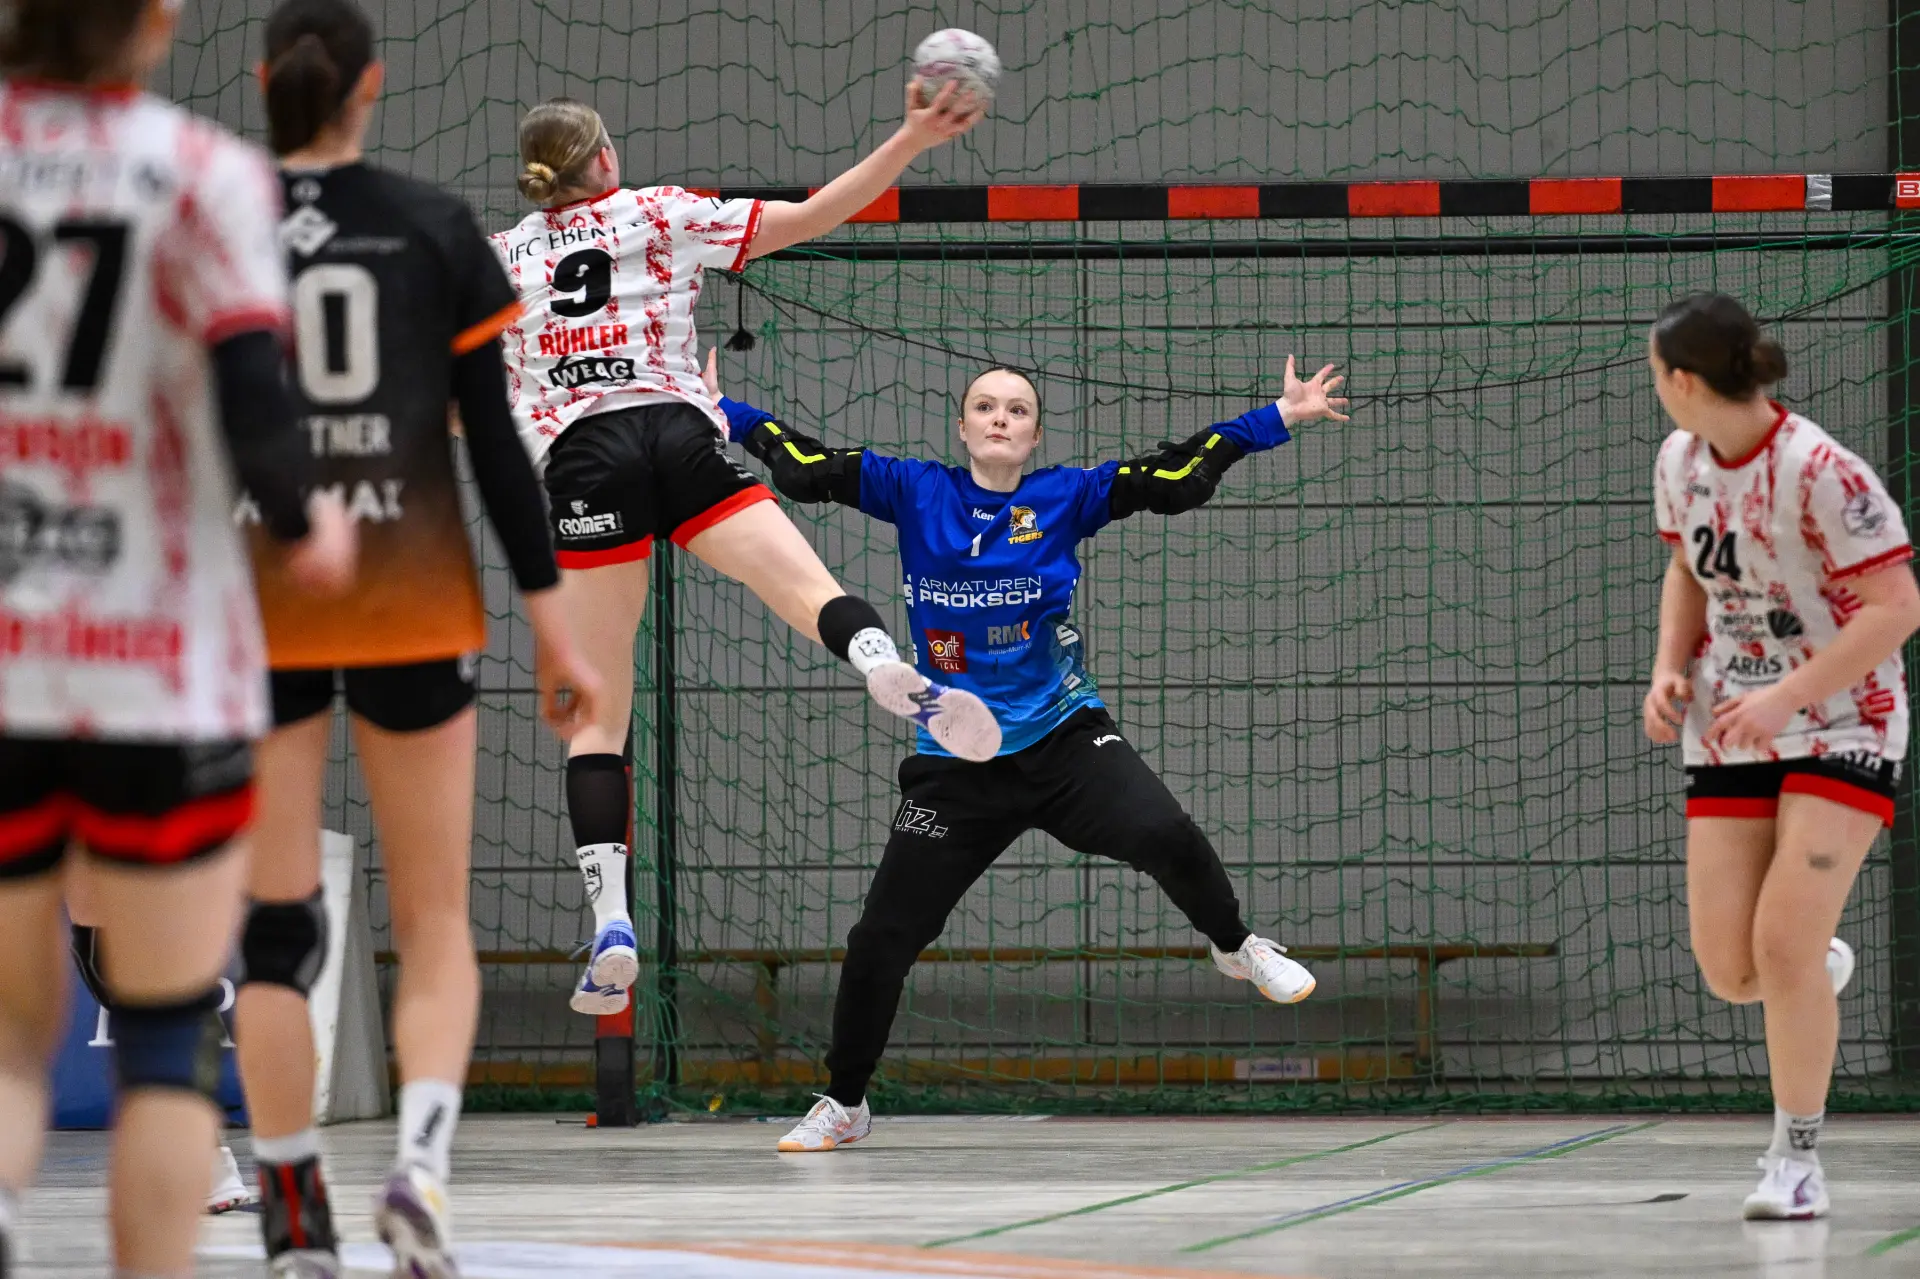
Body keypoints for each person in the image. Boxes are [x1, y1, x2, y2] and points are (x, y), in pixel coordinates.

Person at [709, 354, 1350, 1151]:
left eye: (1016, 409)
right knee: (880, 938)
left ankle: (1235, 944)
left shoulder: (1066, 496)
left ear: (1035, 434)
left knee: (1164, 830)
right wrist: (724, 411)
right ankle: (845, 1102)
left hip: (1063, 738)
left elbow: (1175, 476)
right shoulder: (915, 489)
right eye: (985, 406)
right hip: (956, 763)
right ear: (963, 426)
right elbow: (806, 467)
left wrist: (1277, 418)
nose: (1000, 418)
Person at [493, 90, 1002, 1019]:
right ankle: (879, 661)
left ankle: (612, 923)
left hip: (585, 461)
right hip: (678, 430)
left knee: (599, 715)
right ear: (604, 161)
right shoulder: (660, 211)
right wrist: (911, 137)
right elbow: (817, 214)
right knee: (805, 588)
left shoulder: (498, 262)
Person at [231, 3, 599, 1276]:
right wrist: (556, 624)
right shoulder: (437, 226)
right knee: (436, 916)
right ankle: (420, 1175)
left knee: (274, 926)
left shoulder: (210, 218)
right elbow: (497, 446)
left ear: (263, 80)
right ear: (372, 87)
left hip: (265, 595)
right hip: (413, 591)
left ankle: (290, 1206)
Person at [0, 0, 355, 1272]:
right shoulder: (204, 172)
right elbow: (257, 402)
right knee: (162, 1033)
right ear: (159, 22)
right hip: (153, 663)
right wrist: (312, 522)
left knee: (10, 1035)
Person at [1642, 293, 1920, 1220]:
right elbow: (1686, 570)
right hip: (1733, 723)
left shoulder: (1821, 471)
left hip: (1844, 721)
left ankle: (1795, 1159)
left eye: (1656, 373)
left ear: (1685, 379)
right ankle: (1808, 967)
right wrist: (1668, 668)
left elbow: (1898, 608)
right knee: (1732, 970)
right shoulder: (1679, 462)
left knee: (1782, 945)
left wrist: (1787, 696)